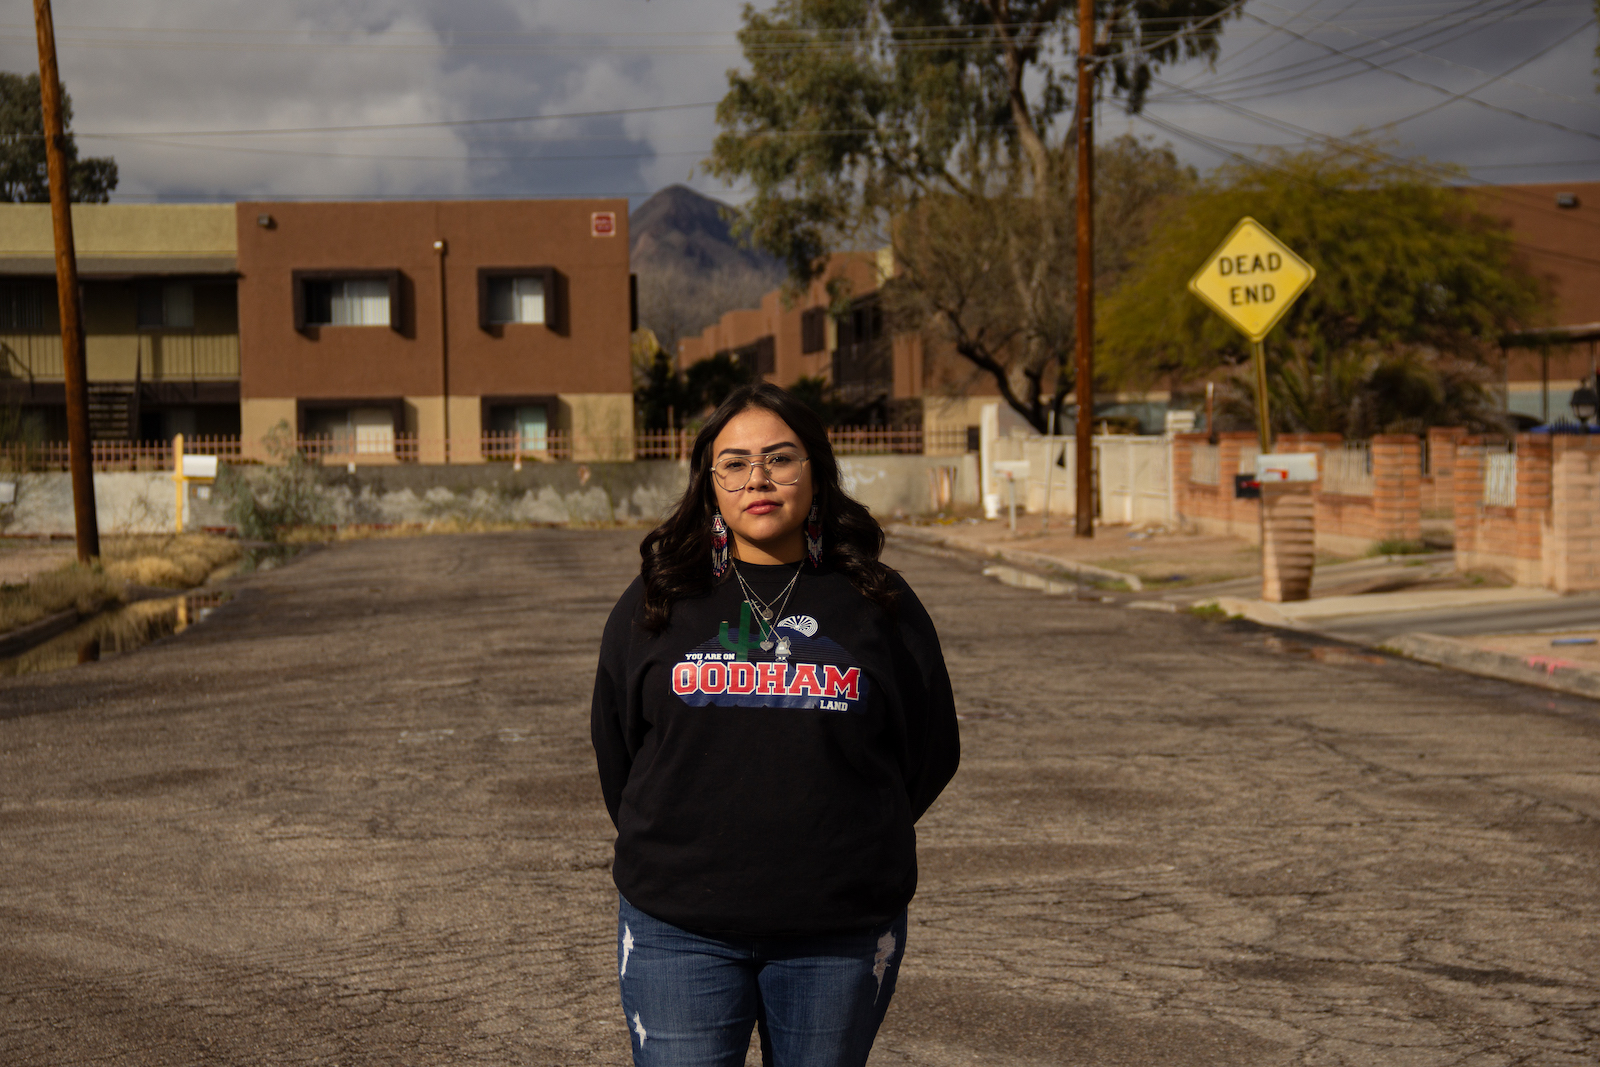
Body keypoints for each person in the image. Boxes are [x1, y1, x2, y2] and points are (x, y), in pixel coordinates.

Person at [590, 383, 960, 1067]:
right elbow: (620, 750)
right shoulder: (660, 601)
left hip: (838, 928)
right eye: (733, 463)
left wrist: (844, 834)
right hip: (679, 926)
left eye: (779, 458)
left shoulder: (878, 602)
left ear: (815, 474)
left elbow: (929, 748)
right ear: (709, 485)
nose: (757, 478)